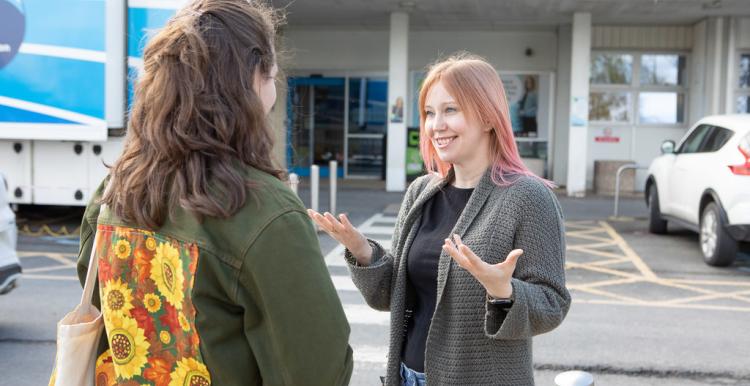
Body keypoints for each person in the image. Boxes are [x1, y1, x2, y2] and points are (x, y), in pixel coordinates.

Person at [71, 1, 353, 385]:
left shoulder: (120, 185)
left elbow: (95, 286)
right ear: (252, 79)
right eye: (271, 72)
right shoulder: (263, 208)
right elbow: (316, 369)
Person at [309, 53, 570, 386]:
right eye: (430, 113)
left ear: (489, 117)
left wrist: (503, 290)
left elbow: (553, 304)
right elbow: (391, 296)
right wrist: (363, 252)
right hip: (406, 376)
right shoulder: (421, 191)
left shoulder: (529, 197)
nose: (436, 125)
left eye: (451, 110)